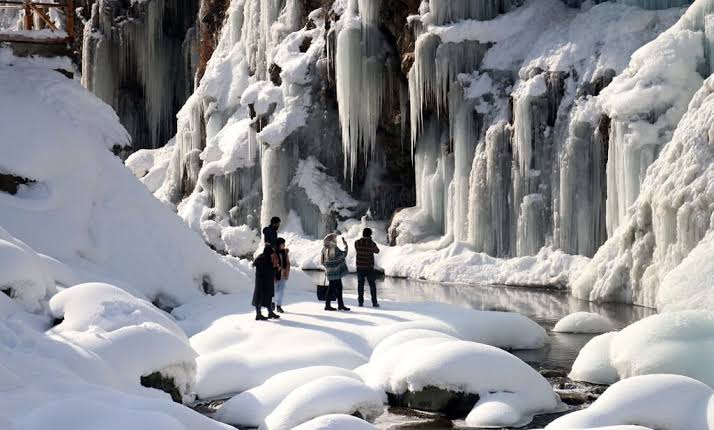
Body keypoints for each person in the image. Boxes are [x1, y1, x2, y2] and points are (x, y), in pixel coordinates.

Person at [321, 233, 350, 312]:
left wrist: (328, 267)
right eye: (334, 239)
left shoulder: (324, 249)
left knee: (336, 287)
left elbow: (322, 261)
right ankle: (328, 305)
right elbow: (343, 255)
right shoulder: (334, 248)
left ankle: (340, 305)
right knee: (333, 288)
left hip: (330, 272)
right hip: (336, 272)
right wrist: (346, 245)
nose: (335, 240)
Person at [252, 245, 280, 321]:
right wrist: (276, 268)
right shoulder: (266, 259)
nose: (271, 255)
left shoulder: (260, 258)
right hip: (265, 282)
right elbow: (269, 271)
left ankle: (267, 313)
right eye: (271, 253)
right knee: (265, 297)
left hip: (261, 282)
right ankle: (260, 314)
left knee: (262, 297)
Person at [355, 228, 380, 308]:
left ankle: (360, 302)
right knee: (372, 285)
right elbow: (377, 251)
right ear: (370, 235)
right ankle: (374, 302)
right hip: (369, 267)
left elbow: (357, 248)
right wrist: (371, 241)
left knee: (360, 285)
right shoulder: (371, 244)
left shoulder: (357, 243)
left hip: (360, 267)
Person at [273, 237, 290, 313]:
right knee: (274, 290)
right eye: (282, 244)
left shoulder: (285, 253)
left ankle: (279, 306)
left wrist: (287, 271)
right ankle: (272, 303)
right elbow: (271, 264)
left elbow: (288, 263)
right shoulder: (273, 253)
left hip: (283, 274)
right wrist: (276, 268)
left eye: (284, 243)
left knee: (281, 291)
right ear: (278, 244)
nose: (284, 245)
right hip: (276, 274)